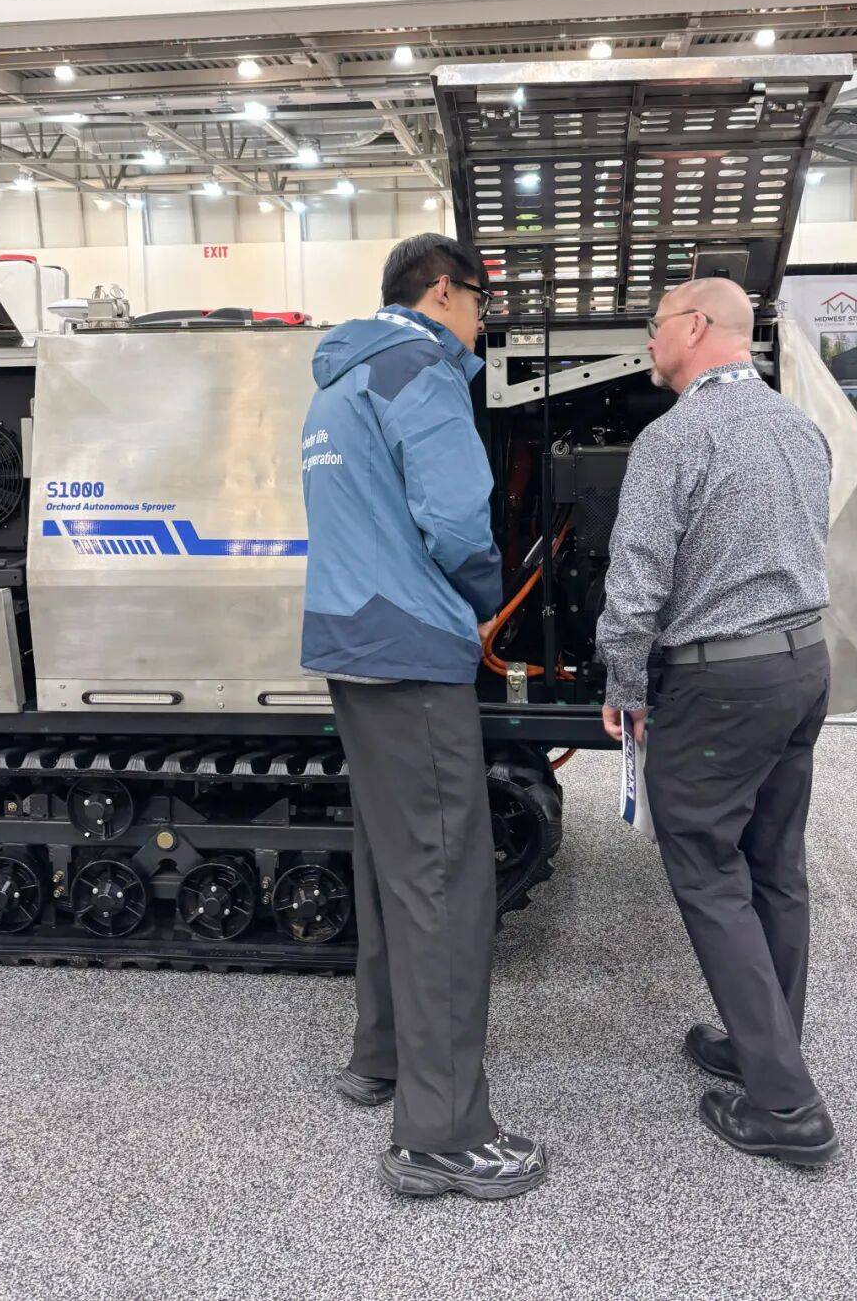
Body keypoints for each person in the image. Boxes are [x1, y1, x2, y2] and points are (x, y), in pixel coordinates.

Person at [300, 232, 548, 1201]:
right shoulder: (422, 371)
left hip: (351, 641)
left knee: (392, 864)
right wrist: (484, 601)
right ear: (443, 293)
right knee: (445, 880)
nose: (484, 320)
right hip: (411, 648)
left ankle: (382, 1055)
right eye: (481, 301)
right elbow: (456, 523)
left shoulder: (340, 379)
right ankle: (441, 1135)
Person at [596, 276, 840, 1168]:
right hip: (802, 664)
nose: (648, 340)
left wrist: (624, 684)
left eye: (656, 325)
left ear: (695, 327)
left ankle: (786, 1107)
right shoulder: (798, 427)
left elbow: (637, 582)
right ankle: (765, 1044)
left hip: (721, 682)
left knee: (706, 870)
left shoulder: (676, 437)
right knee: (774, 865)